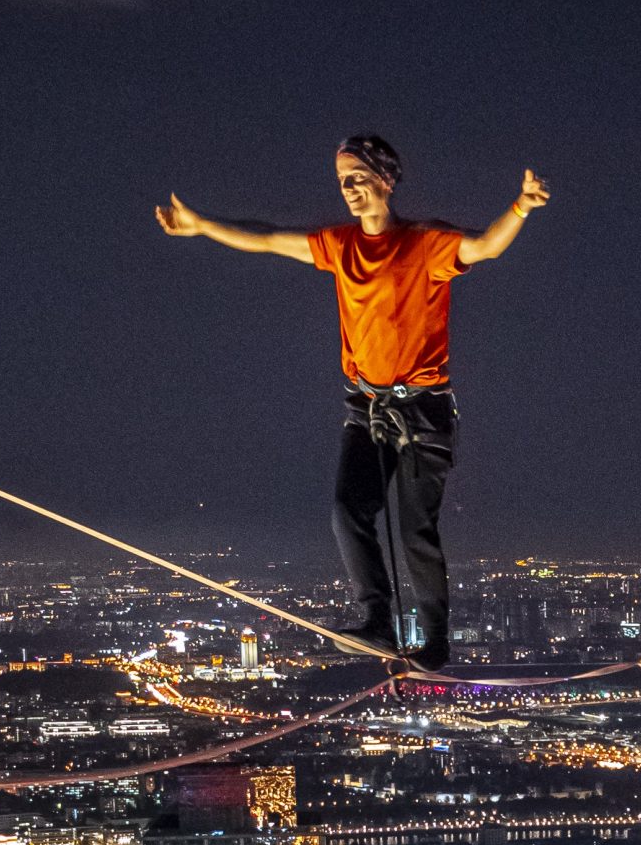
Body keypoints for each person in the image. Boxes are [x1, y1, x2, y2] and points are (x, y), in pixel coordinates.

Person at [154, 136, 549, 671]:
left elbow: (484, 247)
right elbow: (270, 239)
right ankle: (377, 622)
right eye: (343, 181)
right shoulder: (340, 247)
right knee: (348, 511)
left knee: (414, 528)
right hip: (365, 405)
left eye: (359, 177)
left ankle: (434, 639)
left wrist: (519, 208)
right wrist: (203, 227)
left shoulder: (425, 243)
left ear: (386, 180)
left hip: (424, 410)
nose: (350, 190)